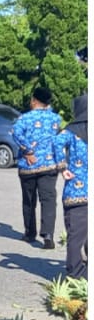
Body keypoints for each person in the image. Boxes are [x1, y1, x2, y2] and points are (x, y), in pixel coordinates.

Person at [12, 84, 63, 249]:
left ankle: (30, 233)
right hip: (49, 165)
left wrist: (28, 151)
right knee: (48, 200)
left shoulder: (24, 119)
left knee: (29, 200)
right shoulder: (56, 119)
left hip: (28, 165)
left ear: (34, 100)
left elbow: (16, 133)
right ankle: (48, 235)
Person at [55, 92, 87, 280]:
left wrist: (62, 167)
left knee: (76, 235)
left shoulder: (71, 131)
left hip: (76, 191)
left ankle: (75, 273)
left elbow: (56, 142)